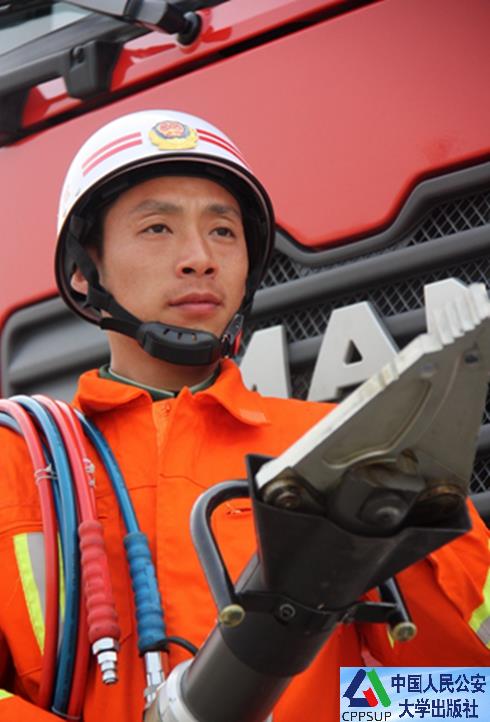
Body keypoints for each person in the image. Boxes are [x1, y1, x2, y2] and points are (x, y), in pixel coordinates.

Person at [0, 109, 488, 722]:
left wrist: (343, 708)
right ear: (83, 271)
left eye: (224, 232)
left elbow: (465, 697)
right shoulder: (17, 463)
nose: (200, 258)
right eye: (157, 228)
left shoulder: (342, 448)